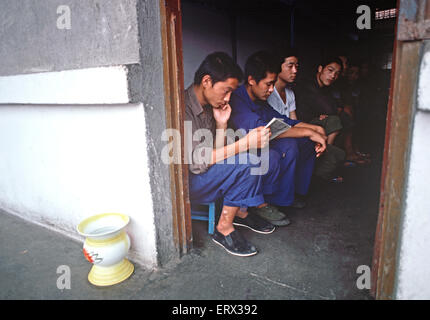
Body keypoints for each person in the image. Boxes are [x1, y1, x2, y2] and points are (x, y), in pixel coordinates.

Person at [185, 52, 284, 257]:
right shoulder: (183, 107)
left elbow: (217, 153)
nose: (228, 98)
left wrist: (221, 124)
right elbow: (197, 164)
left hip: (209, 174)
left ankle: (240, 211)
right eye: (226, 91)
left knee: (258, 158)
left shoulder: (211, 106)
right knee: (247, 160)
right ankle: (223, 228)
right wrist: (244, 144)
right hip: (190, 185)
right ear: (206, 81)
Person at [229, 51, 327, 223]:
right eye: (268, 84)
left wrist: (315, 128)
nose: (271, 89)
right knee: (286, 147)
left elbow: (282, 120)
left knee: (304, 143)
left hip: (262, 142)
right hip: (240, 150)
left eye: (273, 84)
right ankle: (262, 203)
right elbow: (263, 131)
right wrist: (309, 132)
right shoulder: (238, 99)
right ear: (251, 80)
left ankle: (286, 195)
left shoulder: (259, 99)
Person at [268, 48, 344, 183]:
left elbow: (294, 120)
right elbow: (274, 126)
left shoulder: (289, 93)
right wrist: (309, 132)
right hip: (277, 135)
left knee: (331, 150)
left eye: (296, 67)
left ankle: (308, 179)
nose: (295, 71)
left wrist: (312, 131)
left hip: (290, 130)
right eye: (290, 66)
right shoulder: (269, 92)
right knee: (299, 145)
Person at [294, 56, 348, 175]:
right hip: (301, 124)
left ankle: (325, 155)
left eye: (337, 73)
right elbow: (330, 108)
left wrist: (323, 113)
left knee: (336, 120)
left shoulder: (326, 88)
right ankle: (326, 158)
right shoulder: (308, 84)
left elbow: (334, 108)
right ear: (320, 69)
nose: (333, 76)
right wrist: (323, 113)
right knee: (334, 120)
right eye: (330, 70)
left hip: (314, 122)